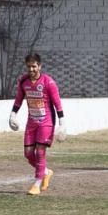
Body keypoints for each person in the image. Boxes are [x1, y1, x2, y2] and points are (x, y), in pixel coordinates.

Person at [8, 53, 64, 195]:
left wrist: (62, 123)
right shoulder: (23, 82)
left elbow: (57, 103)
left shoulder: (48, 82)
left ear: (40, 66)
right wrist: (12, 115)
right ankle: (46, 172)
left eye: (34, 66)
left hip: (46, 122)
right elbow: (19, 100)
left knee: (40, 152)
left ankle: (37, 184)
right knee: (28, 154)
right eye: (29, 67)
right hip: (31, 122)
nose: (31, 69)